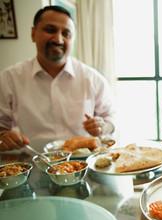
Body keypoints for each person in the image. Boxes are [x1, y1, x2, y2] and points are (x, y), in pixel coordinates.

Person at [0, 6, 116, 152]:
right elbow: (1, 125)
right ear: (33, 34)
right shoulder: (9, 78)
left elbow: (111, 117)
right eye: (50, 30)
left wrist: (103, 126)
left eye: (66, 33)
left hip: (83, 161)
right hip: (34, 159)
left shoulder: (93, 78)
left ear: (73, 40)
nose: (58, 39)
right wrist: (4, 136)